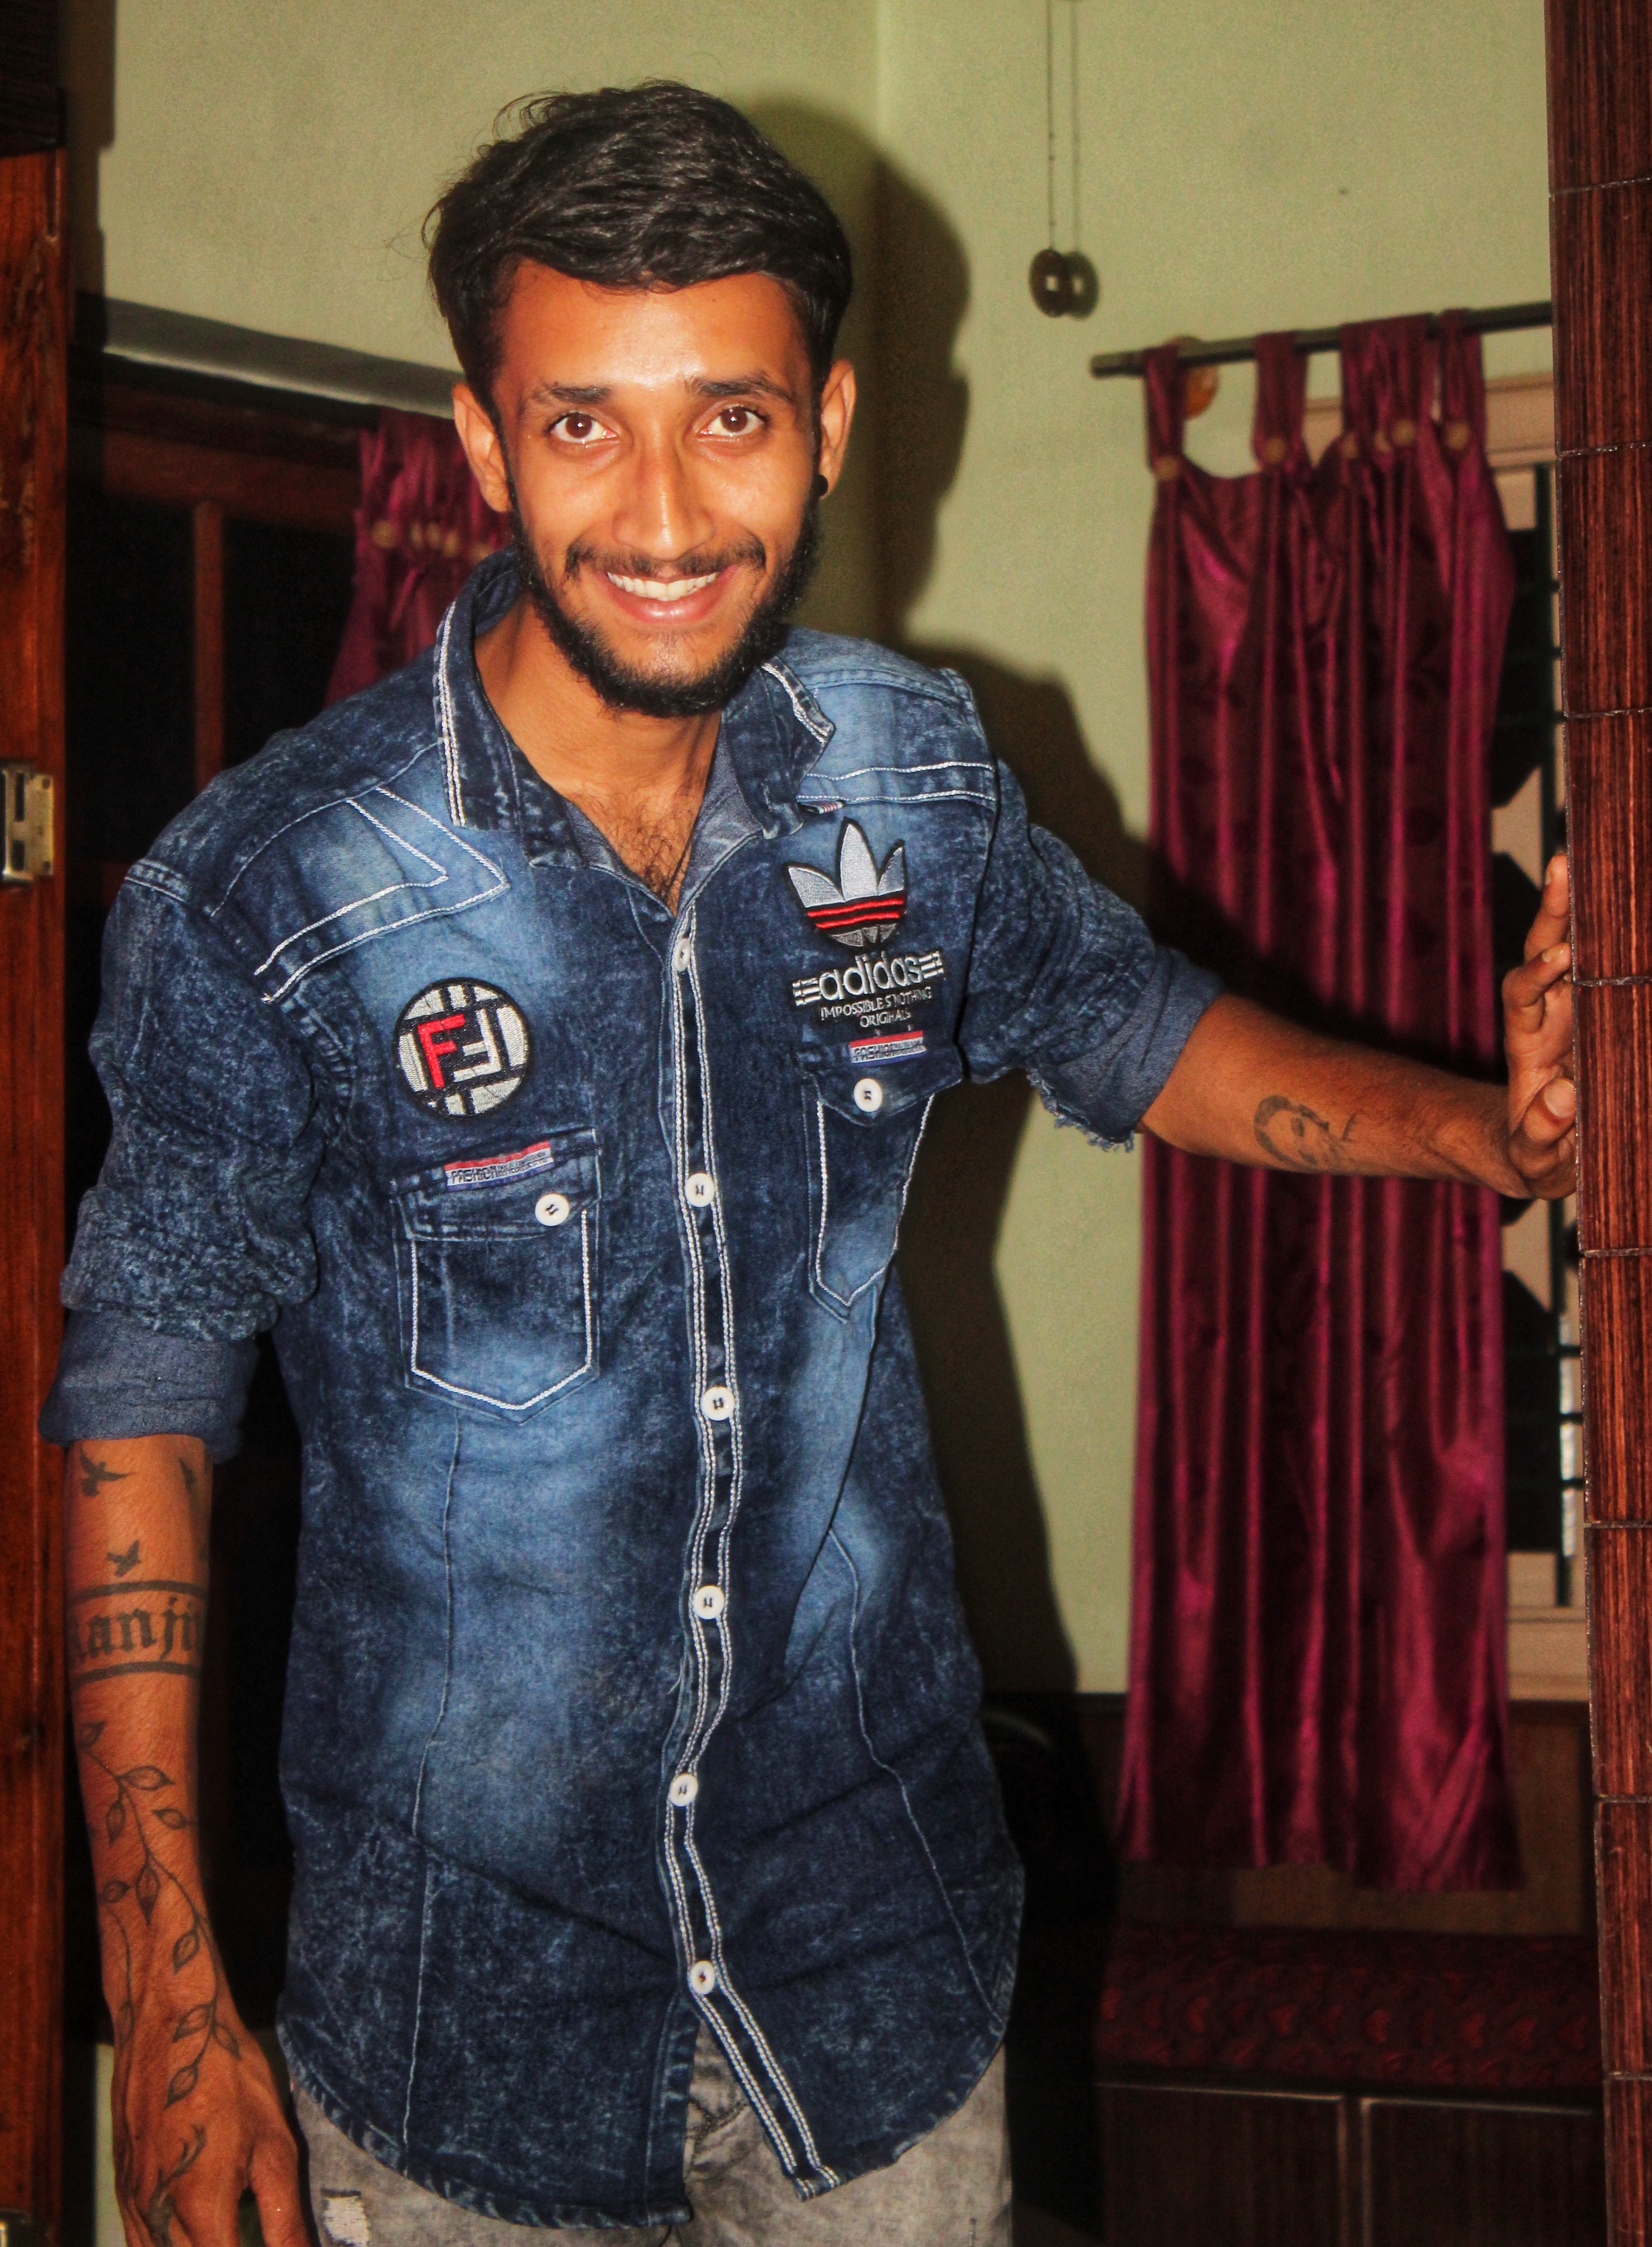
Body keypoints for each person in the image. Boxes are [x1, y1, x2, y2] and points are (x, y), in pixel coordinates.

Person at [44, 82, 1576, 2247]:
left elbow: (1134, 1032)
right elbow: (139, 1413)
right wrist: (166, 1990)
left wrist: (1489, 1132)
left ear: (830, 424)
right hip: (458, 2026)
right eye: (583, 425)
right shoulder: (272, 890)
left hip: (872, 1986)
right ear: (482, 444)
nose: (665, 512)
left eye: (732, 419)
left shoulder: (911, 775)